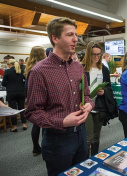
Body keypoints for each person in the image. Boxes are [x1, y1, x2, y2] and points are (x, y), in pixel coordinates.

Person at [25, 17, 94, 176]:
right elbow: (32, 112)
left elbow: (87, 96)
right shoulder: (39, 71)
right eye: (70, 35)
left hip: (81, 135)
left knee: (83, 172)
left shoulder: (78, 67)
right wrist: (62, 121)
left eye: (76, 34)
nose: (76, 39)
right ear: (55, 38)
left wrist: (89, 105)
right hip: (57, 140)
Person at [82, 41, 116, 157]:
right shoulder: (82, 69)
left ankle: (94, 158)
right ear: (88, 54)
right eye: (94, 54)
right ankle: (85, 160)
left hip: (100, 106)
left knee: (96, 135)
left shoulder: (104, 70)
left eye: (99, 54)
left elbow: (109, 88)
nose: (96, 57)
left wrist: (104, 91)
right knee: (88, 136)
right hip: (86, 107)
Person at [24, 46, 46, 157]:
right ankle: (45, 147)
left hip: (32, 98)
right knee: (45, 124)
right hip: (42, 99)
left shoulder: (29, 68)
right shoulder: (42, 67)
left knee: (36, 125)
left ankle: (35, 148)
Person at [2, 59, 27, 132]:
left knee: (13, 109)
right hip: (21, 92)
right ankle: (24, 124)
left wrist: (9, 85)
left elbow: (3, 83)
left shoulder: (7, 71)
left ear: (9, 65)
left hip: (11, 92)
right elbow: (25, 81)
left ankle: (14, 126)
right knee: (22, 108)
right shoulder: (21, 71)